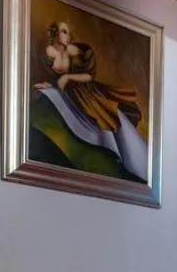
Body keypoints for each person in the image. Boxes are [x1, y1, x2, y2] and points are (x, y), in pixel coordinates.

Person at [33, 19, 148, 180]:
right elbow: (56, 78)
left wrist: (68, 77)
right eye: (64, 31)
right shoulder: (50, 52)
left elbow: (88, 76)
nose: (68, 36)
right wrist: (49, 83)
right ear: (55, 33)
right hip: (69, 92)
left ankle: (129, 160)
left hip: (85, 91)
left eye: (67, 32)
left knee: (108, 119)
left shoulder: (77, 51)